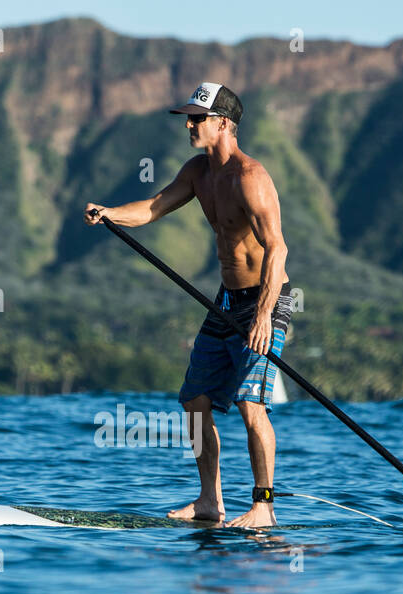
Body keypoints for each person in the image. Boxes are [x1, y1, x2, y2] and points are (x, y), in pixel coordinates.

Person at [84, 82, 291, 528]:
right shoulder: (199, 172)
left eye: (196, 119)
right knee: (194, 399)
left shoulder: (250, 178)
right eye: (187, 118)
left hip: (265, 301)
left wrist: (262, 317)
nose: (189, 125)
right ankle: (209, 502)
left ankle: (263, 507)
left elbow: (278, 250)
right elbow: (155, 207)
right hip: (225, 302)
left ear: (223, 124)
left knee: (250, 405)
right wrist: (111, 212)